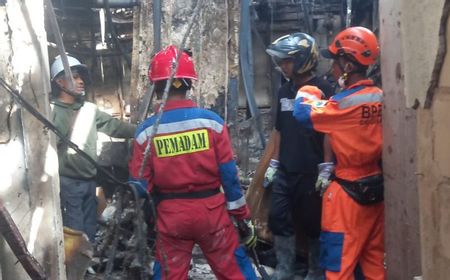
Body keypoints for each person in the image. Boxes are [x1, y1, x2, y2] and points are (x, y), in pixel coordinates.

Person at [128, 45, 258, 280]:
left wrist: (150, 217)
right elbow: (229, 176)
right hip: (212, 214)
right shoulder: (212, 123)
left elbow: (139, 186)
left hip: (171, 217)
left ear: (156, 87)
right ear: (189, 84)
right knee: (234, 271)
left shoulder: (146, 132)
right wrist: (241, 215)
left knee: (169, 274)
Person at [292, 26, 385, 280]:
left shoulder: (343, 105)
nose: (332, 67)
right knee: (373, 264)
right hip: (376, 188)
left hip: (347, 195)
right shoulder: (379, 96)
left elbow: (302, 112)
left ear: (348, 65)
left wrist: (309, 89)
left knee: (337, 268)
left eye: (336, 60)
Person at [264, 32, 334, 280]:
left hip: (311, 170)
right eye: (281, 61)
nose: (283, 66)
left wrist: (326, 166)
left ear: (303, 59)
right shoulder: (284, 91)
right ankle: (285, 268)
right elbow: (280, 130)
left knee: (313, 222)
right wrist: (274, 161)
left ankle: (315, 270)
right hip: (286, 168)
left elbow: (329, 131)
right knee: (278, 217)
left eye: (287, 61)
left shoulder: (325, 89)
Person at [50, 55, 136, 244]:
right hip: (67, 182)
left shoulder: (89, 109)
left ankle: (87, 264)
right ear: (59, 81)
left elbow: (116, 127)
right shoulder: (51, 111)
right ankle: (76, 269)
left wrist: (143, 130)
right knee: (74, 229)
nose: (81, 81)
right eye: (74, 77)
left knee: (89, 227)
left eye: (81, 77)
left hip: (89, 179)